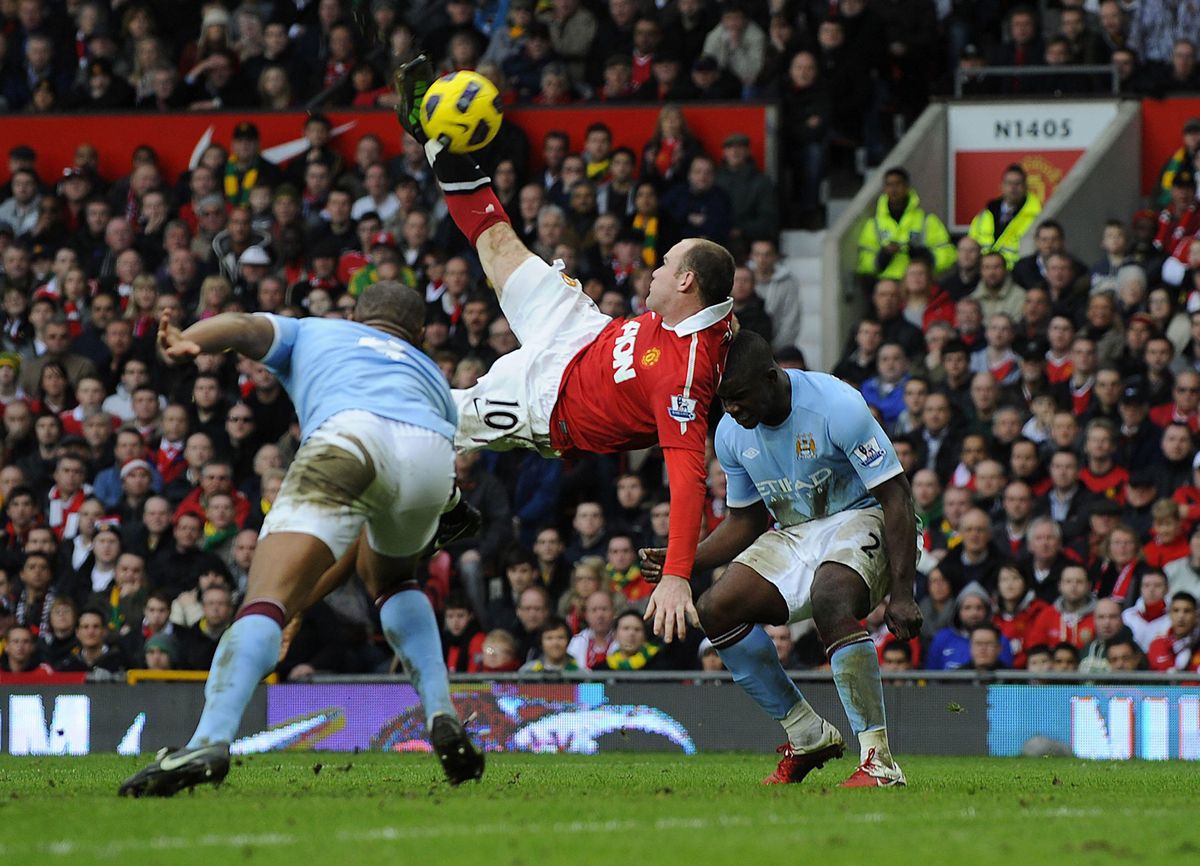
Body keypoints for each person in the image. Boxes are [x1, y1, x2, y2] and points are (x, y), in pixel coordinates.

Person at [394, 55, 735, 646]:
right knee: (497, 243)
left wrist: (679, 573)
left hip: (548, 405)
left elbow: (687, 477)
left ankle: (444, 506)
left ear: (686, 284)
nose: (655, 266)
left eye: (667, 261)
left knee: (423, 413)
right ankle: (437, 141)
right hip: (581, 329)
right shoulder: (691, 313)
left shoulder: (686, 374)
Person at [119, 281, 483, 798]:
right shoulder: (430, 376)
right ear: (419, 333)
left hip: (347, 436)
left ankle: (209, 739)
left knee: (263, 600)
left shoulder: (319, 330)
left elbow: (244, 327)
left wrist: (190, 339)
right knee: (396, 582)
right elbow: (364, 538)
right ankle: (442, 713)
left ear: (356, 315)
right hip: (431, 460)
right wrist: (301, 605)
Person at [642, 331, 920, 787]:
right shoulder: (732, 432)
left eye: (739, 397)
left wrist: (904, 593)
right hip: (795, 532)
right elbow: (744, 522)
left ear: (772, 378)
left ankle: (880, 761)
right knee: (715, 608)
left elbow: (896, 495)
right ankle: (807, 734)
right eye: (724, 400)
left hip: (862, 516)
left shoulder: (837, 405)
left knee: (831, 597)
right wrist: (681, 561)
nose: (731, 409)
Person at [856, 167, 954, 283]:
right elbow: (863, 260)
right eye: (889, 185)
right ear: (884, 189)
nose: (893, 189)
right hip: (887, 289)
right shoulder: (874, 224)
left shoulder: (927, 220)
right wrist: (884, 255)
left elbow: (948, 254)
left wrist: (924, 256)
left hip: (919, 285)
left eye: (898, 184)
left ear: (907, 187)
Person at [968, 164, 1043, 268]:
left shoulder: (1036, 217)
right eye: (1009, 183)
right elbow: (970, 245)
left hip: (1017, 275)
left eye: (1017, 183)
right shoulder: (984, 215)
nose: (1013, 188)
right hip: (984, 273)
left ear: (1026, 187)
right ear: (1001, 186)